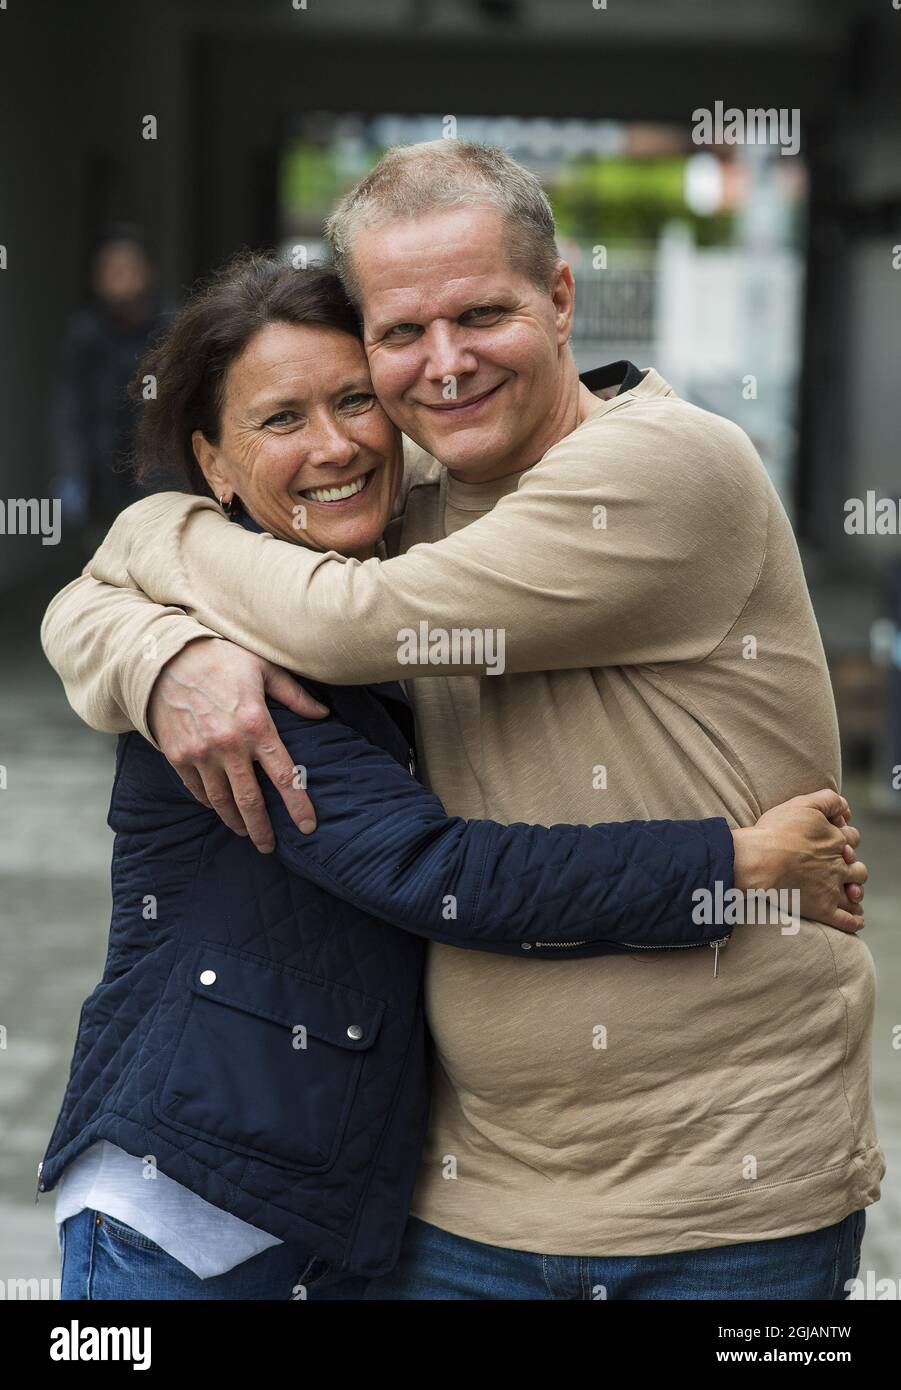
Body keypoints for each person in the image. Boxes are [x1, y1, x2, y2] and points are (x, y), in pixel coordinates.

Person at [42, 142, 881, 1301]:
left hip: (722, 1209)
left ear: (560, 297)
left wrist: (161, 535)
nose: (444, 363)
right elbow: (95, 602)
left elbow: (346, 624)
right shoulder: (390, 513)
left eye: (481, 313)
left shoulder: (663, 468)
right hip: (456, 1211)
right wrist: (165, 652)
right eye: (401, 333)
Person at [50, 226, 171, 546]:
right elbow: (70, 409)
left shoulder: (171, 330)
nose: (118, 278)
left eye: (126, 268)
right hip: (101, 477)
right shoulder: (85, 336)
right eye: (109, 270)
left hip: (157, 477)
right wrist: (70, 472)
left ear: (148, 273)